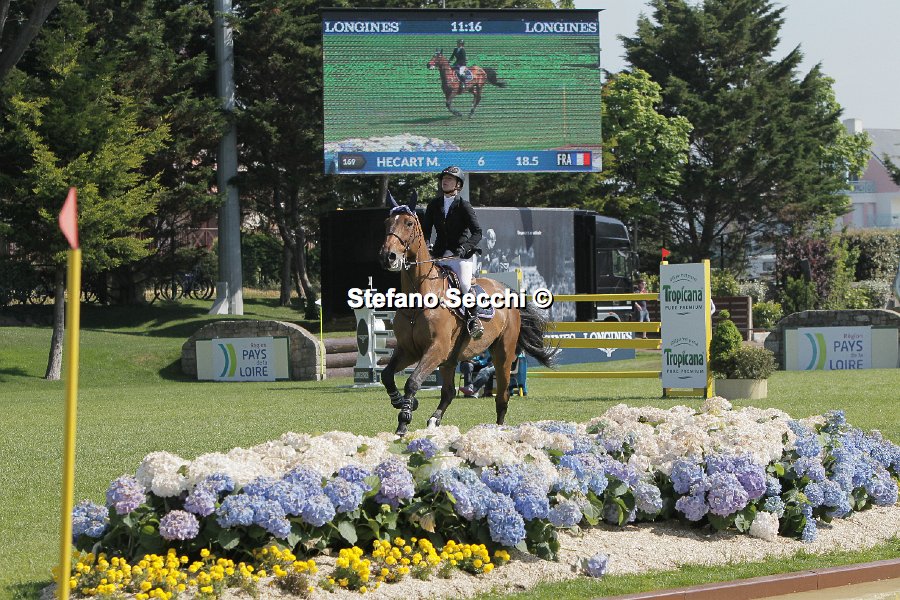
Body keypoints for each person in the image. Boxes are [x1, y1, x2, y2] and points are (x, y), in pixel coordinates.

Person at [422, 166, 484, 339]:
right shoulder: (434, 205)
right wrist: (427, 246)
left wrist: (466, 247)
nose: (445, 181)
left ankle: (473, 320)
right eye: (444, 178)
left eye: (449, 179)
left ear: (458, 184)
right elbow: (426, 231)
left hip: (460, 255)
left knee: (464, 285)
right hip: (439, 254)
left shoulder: (464, 206)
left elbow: (478, 232)